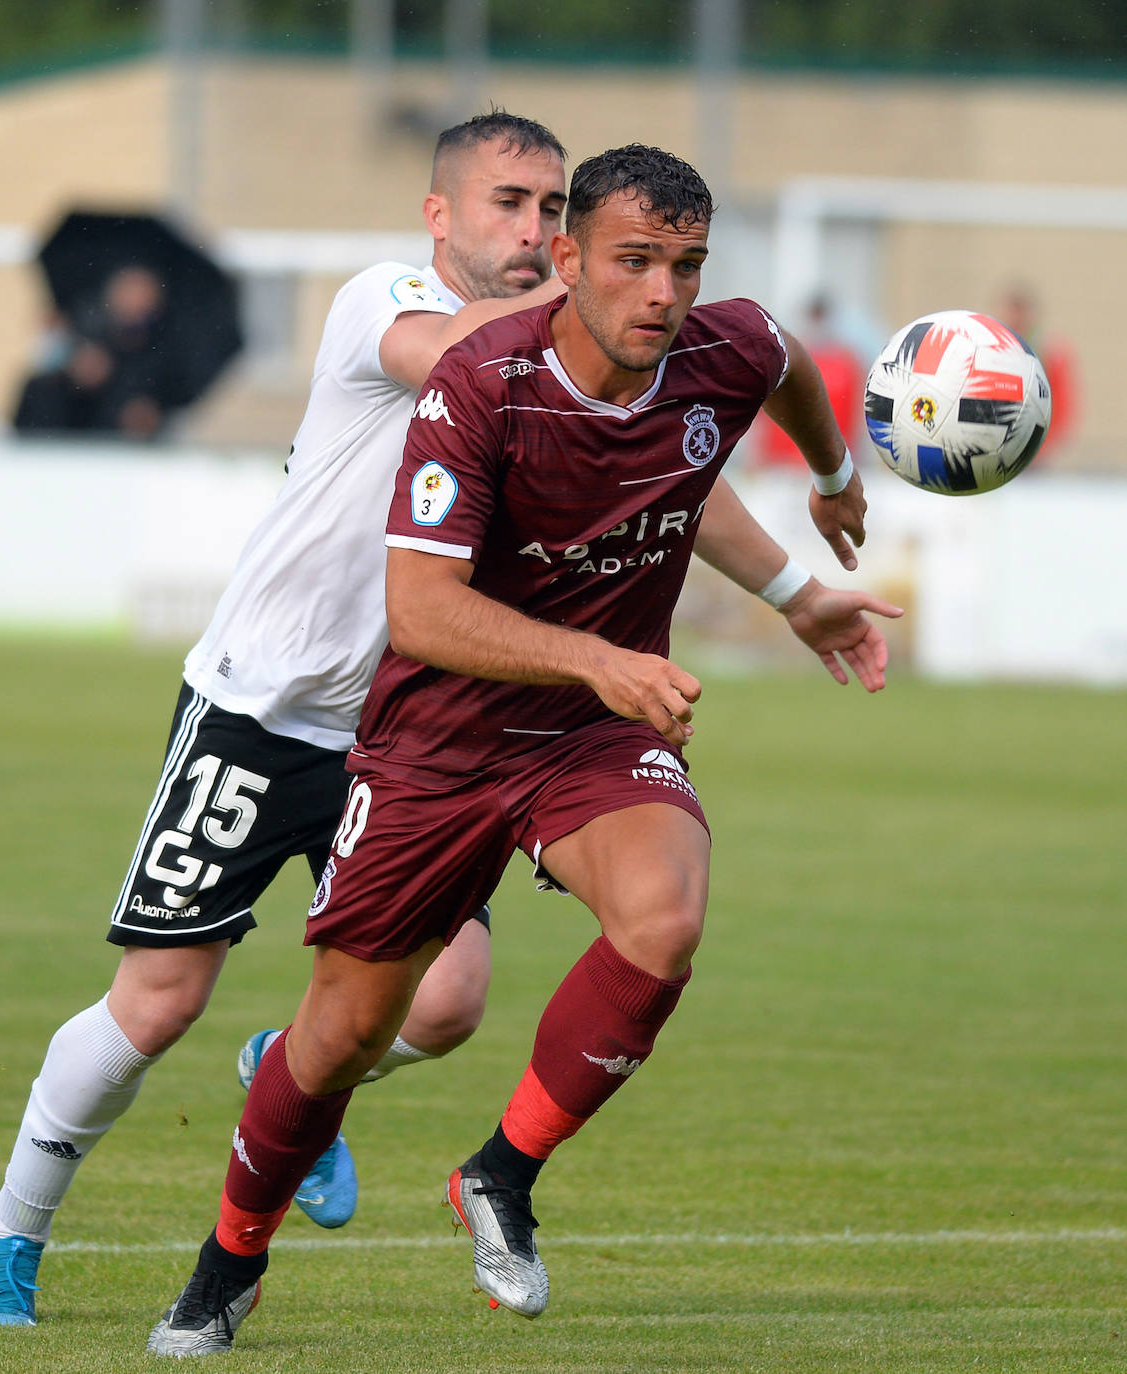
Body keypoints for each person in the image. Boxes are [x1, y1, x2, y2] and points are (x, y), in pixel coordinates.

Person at [146, 143, 898, 1357]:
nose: (664, 292)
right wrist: (598, 656)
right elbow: (423, 613)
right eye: (635, 262)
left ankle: (499, 1174)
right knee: (337, 1035)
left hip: (592, 736)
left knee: (664, 917)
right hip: (438, 738)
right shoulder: (483, 384)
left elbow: (790, 367)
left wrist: (830, 480)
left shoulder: (725, 345)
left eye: (686, 265)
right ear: (567, 262)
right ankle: (229, 1261)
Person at [0, 109, 571, 1328]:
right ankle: (11, 1230)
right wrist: (587, 303)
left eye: (555, 209)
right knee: (158, 1001)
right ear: (440, 215)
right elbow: (444, 351)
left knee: (445, 1004)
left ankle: (279, 1073)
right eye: (510, 203)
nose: (536, 231)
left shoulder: (551, 370)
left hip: (400, 733)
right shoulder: (385, 300)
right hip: (261, 707)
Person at [12, 266, 193, 439]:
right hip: (61, 434)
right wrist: (73, 375)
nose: (135, 303)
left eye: (143, 296)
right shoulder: (81, 322)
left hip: (116, 446)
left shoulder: (164, 351)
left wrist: (148, 418)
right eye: (129, 292)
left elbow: (165, 406)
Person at [750, 291, 867, 468]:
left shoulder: (847, 364)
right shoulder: (785, 359)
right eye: (815, 317)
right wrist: (755, 458)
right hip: (781, 465)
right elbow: (759, 413)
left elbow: (858, 416)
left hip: (830, 466)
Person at [997, 283, 1080, 457]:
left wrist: (1041, 447)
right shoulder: (993, 350)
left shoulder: (1049, 353)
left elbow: (1062, 404)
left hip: (1034, 453)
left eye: (1018, 311)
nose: (1014, 317)